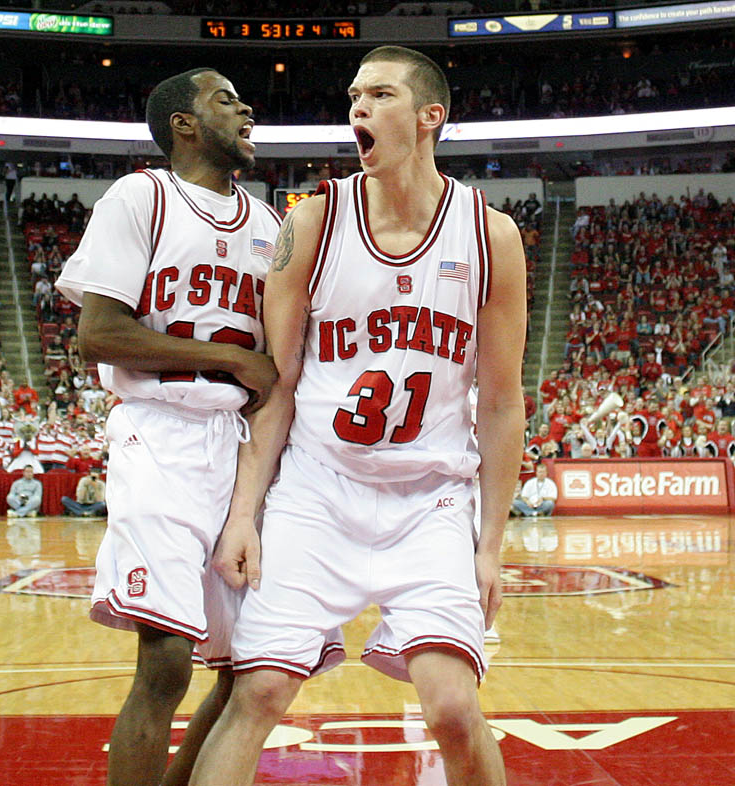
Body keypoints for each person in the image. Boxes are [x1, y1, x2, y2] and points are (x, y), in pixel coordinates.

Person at [189, 46, 526, 786]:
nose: (358, 109)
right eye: (354, 96)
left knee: (451, 708)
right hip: (317, 492)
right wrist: (245, 513)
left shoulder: (490, 235)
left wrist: (491, 544)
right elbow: (276, 385)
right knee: (261, 691)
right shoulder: (310, 224)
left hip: (429, 500)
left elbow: (501, 402)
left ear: (431, 116)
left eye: (379, 95)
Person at [54, 67, 280, 786]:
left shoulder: (271, 225)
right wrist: (230, 357)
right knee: (166, 660)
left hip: (237, 450)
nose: (244, 107)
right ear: (184, 124)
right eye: (223, 98)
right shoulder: (141, 196)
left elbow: (277, 361)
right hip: (158, 433)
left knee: (254, 669)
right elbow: (98, 334)